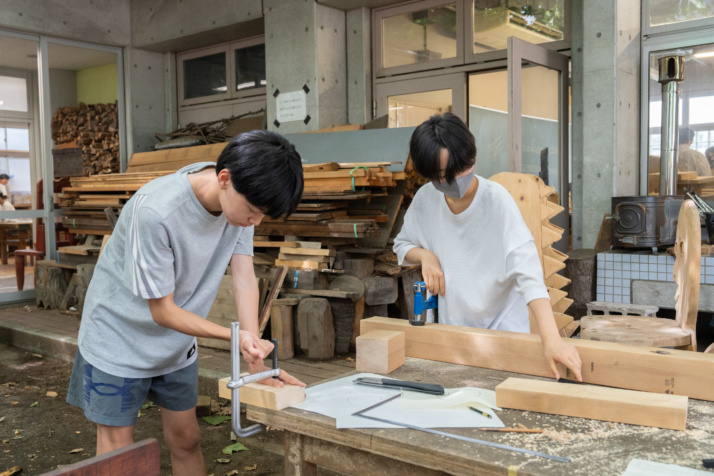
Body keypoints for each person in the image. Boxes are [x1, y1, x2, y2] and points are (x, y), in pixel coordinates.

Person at [66, 130, 306, 475]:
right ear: (224, 179)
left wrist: (254, 354)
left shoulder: (243, 198)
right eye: (254, 212)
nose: (256, 222)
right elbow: (161, 311)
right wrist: (233, 337)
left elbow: (243, 277)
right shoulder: (157, 211)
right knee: (119, 454)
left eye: (263, 215)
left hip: (176, 343)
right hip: (117, 338)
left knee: (187, 438)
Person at [393, 113, 582, 382]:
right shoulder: (426, 200)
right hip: (455, 340)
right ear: (431, 177)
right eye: (448, 175)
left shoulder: (497, 201)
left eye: (465, 166)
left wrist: (551, 339)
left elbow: (527, 272)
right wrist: (425, 255)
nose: (461, 178)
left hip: (503, 336)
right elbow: (401, 245)